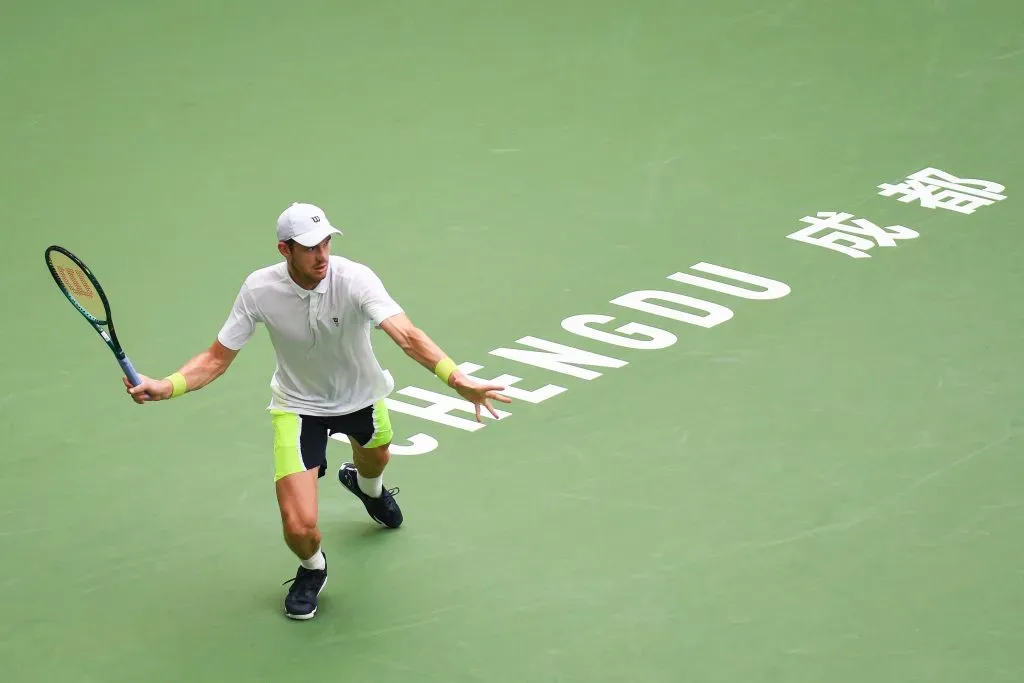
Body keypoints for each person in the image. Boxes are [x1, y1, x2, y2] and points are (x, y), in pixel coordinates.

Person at [124, 202, 511, 620]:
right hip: (299, 407)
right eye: (309, 247)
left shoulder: (354, 278)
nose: (322, 254)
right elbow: (217, 358)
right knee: (299, 525)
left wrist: (457, 379)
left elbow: (407, 335)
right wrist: (169, 385)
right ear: (284, 250)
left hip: (361, 396)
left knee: (376, 459)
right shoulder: (258, 290)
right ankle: (313, 568)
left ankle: (370, 490)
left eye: (326, 242)